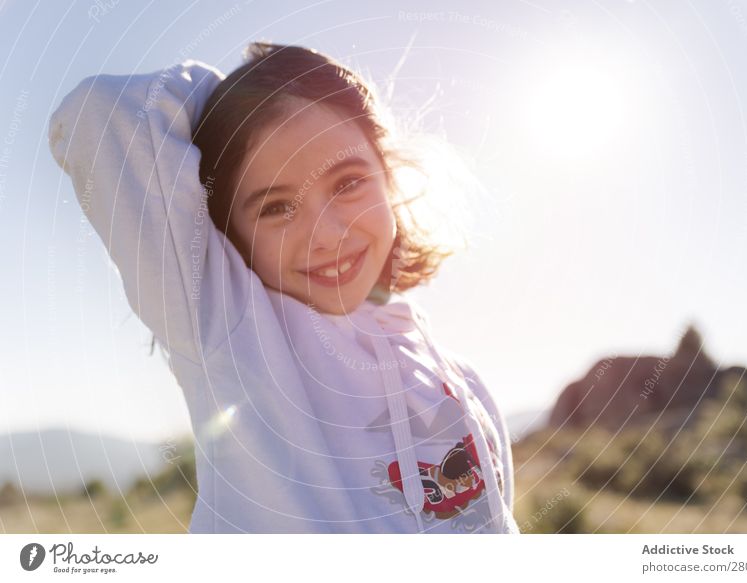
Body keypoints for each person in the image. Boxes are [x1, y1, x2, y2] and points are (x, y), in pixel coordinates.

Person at [48, 41, 520, 534]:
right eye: (276, 208)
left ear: (388, 176)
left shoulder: (461, 382)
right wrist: (233, 101)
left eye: (347, 184)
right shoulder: (226, 326)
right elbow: (98, 117)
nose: (330, 236)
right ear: (230, 232)